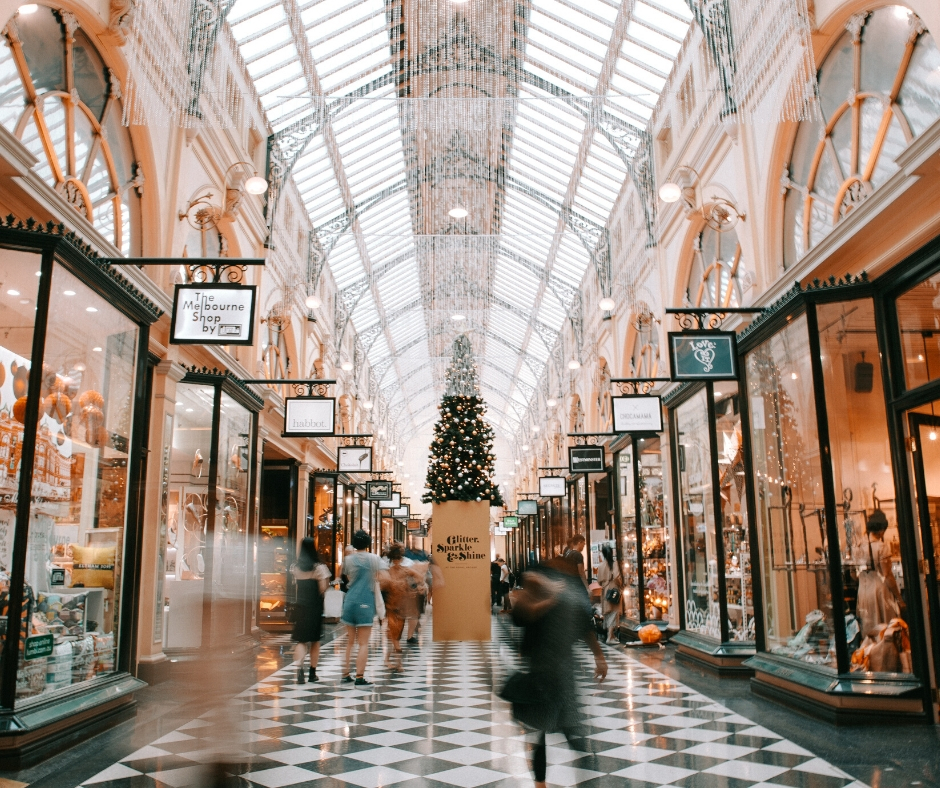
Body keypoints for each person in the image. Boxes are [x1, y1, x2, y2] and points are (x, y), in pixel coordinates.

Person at [505, 563, 607, 788]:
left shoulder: (563, 599)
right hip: (541, 676)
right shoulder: (532, 600)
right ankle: (540, 784)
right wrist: (550, 596)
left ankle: (583, 782)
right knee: (542, 735)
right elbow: (523, 616)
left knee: (571, 734)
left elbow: (584, 626)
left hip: (561, 675)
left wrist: (599, 657)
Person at [340, 529, 386, 686]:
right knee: (363, 643)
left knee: (349, 642)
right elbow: (384, 577)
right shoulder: (374, 559)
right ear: (368, 544)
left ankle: (345, 674)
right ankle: (359, 677)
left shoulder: (347, 560)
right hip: (365, 602)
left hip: (349, 601)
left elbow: (346, 577)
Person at [380, 543, 428, 670]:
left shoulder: (390, 571)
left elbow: (419, 577)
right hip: (396, 606)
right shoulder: (402, 570)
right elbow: (420, 576)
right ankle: (397, 662)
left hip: (394, 606)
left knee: (394, 634)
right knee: (395, 634)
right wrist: (418, 586)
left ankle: (390, 660)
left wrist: (418, 586)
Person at [856, 509, 903, 638]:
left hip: (863, 592)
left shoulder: (859, 546)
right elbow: (887, 576)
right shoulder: (881, 547)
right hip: (879, 592)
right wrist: (899, 598)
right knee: (884, 630)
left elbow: (854, 575)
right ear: (882, 529)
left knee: (868, 629)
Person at [291, 537, 330, 684]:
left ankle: (299, 669)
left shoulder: (295, 567)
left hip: (300, 607)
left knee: (301, 640)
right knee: (315, 640)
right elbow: (323, 588)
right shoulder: (319, 568)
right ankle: (312, 673)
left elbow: (296, 585)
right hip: (314, 607)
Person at [596, 544, 622, 645]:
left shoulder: (601, 565)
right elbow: (617, 576)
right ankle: (610, 637)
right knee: (614, 612)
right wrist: (620, 585)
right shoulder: (614, 564)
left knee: (607, 612)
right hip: (613, 589)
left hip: (605, 591)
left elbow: (598, 581)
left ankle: (611, 635)